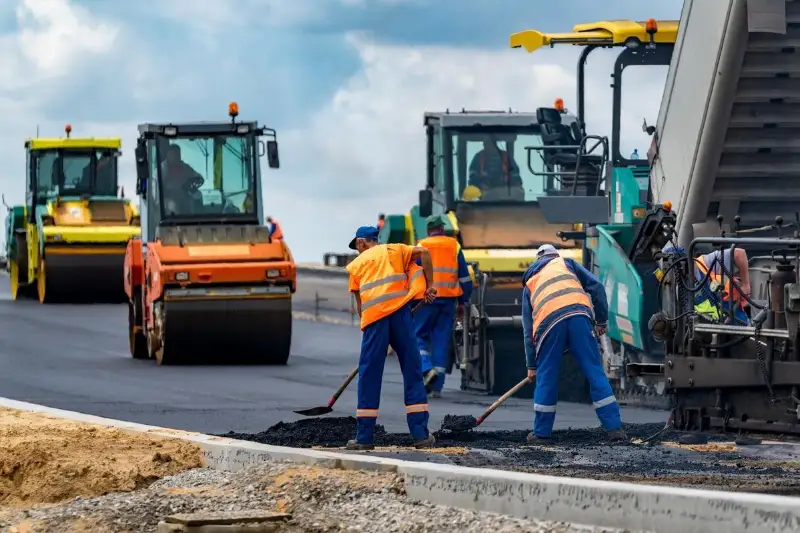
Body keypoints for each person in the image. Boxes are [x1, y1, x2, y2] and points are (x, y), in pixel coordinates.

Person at [345, 225, 438, 450]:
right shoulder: (395, 250)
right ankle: (421, 436)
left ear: (360, 243)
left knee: (369, 374)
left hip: (375, 321)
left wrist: (370, 335)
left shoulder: (356, 265)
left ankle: (364, 438)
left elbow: (360, 306)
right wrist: (431, 285)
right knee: (413, 370)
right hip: (401, 315)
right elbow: (424, 253)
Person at [522, 244, 626, 443]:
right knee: (595, 371)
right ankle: (615, 429)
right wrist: (602, 321)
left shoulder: (530, 281)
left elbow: (528, 331)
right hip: (579, 316)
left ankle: (542, 433)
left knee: (547, 377)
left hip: (548, 323)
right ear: (555, 256)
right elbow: (597, 287)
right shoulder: (567, 264)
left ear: (537, 261)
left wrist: (532, 366)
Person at [413, 215, 473, 398]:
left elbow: (413, 275)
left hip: (425, 300)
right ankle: (436, 388)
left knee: (417, 336)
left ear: (428, 230)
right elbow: (464, 278)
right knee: (441, 341)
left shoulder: (420, 245)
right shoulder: (454, 245)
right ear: (442, 228)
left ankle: (426, 368)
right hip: (448, 301)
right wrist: (464, 301)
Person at [162, 145, 203, 213]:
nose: (176, 156)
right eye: (174, 154)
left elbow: (196, 176)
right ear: (168, 155)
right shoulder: (163, 169)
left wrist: (197, 180)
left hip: (184, 196)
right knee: (173, 206)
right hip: (168, 198)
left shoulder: (185, 167)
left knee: (197, 197)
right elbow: (156, 187)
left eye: (178, 154)